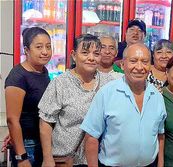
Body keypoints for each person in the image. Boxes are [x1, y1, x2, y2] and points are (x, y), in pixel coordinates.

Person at [80, 43, 167, 167]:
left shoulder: (157, 96)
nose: (139, 67)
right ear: (122, 64)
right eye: (133, 61)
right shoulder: (107, 93)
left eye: (145, 61)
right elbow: (91, 137)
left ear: (150, 66)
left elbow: (160, 135)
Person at [39, 34, 102, 166]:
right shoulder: (60, 83)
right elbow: (45, 122)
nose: (91, 58)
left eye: (96, 54)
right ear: (74, 55)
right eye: (85, 53)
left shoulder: (107, 82)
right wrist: (47, 157)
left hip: (95, 160)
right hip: (65, 159)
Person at [5, 27, 52, 166]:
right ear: (26, 50)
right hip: (27, 145)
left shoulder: (42, 70)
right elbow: (12, 119)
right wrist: (21, 157)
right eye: (39, 47)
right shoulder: (18, 76)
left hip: (41, 140)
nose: (45, 51)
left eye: (48, 47)